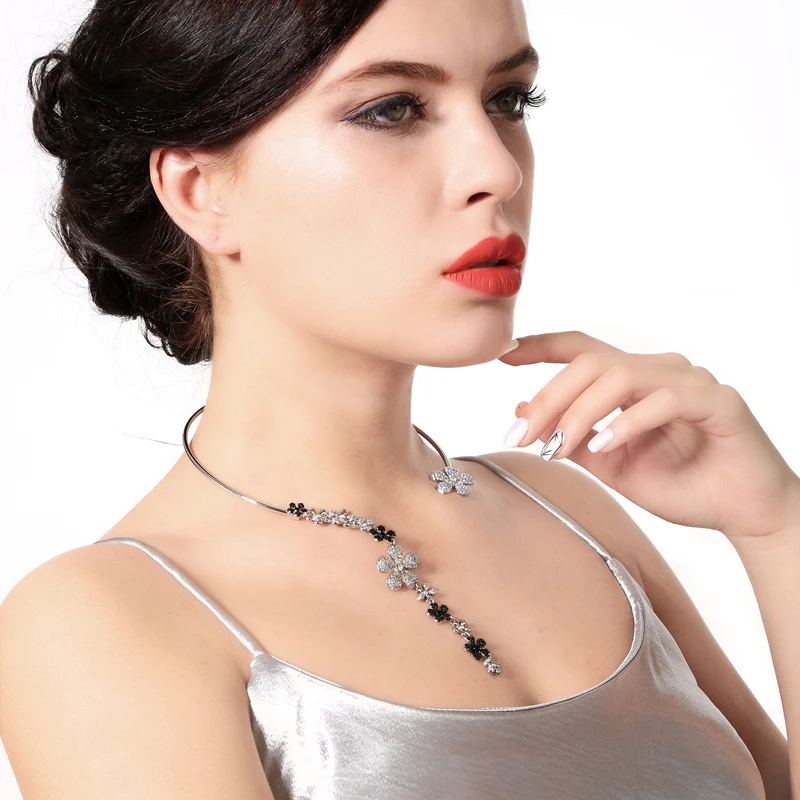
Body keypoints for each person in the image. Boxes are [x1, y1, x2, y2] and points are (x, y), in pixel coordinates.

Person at [0, 0, 791, 798]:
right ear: (200, 190)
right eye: (392, 109)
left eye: (507, 99)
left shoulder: (571, 511)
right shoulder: (106, 621)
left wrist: (774, 526)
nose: (498, 171)